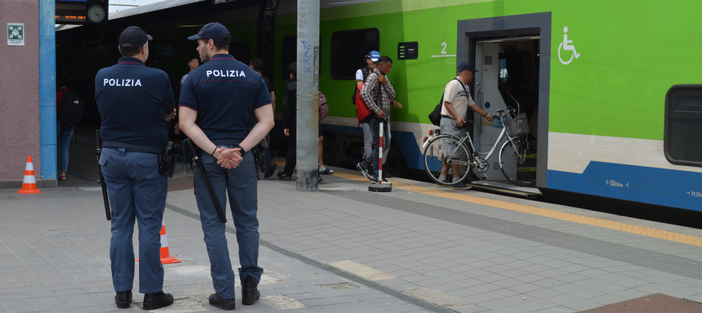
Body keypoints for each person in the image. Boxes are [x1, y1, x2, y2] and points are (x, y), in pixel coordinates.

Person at [178, 22, 274, 311]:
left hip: (210, 161)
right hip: (242, 161)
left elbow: (185, 123)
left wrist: (216, 150)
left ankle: (224, 293)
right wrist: (240, 149)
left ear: (210, 43)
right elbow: (267, 121)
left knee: (213, 225)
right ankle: (249, 286)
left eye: (198, 43)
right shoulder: (251, 76)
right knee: (247, 222)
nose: (196, 48)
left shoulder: (195, 78)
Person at [94, 26, 176, 310]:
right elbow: (168, 112)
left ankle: (122, 294)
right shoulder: (158, 77)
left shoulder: (102, 76)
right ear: (144, 49)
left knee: (120, 227)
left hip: (111, 157)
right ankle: (152, 294)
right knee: (149, 227)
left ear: (120, 50)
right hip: (147, 159)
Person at [437, 62, 494, 190]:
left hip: (457, 122)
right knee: (453, 152)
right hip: (450, 121)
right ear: (466, 72)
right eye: (472, 73)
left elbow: (471, 104)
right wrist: (457, 117)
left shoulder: (465, 87)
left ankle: (442, 179)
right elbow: (447, 103)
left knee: (450, 152)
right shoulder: (453, 84)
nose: (473, 76)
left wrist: (485, 114)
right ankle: (456, 180)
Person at [278, 63, 324, 183]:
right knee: (310, 147)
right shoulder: (311, 86)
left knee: (292, 147)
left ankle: (287, 173)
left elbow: (287, 108)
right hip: (309, 120)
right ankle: (315, 174)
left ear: (291, 75)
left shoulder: (290, 87)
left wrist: (286, 126)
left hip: (294, 121)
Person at [357, 55, 396, 183]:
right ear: (381, 65)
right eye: (389, 67)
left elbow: (393, 94)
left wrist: (385, 83)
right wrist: (376, 109)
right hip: (376, 117)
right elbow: (364, 92)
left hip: (383, 117)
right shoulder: (373, 76)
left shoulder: (383, 78)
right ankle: (375, 174)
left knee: (384, 145)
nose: (390, 70)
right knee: (379, 145)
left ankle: (366, 164)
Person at [249, 57, 277, 178]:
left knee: (251, 140)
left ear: (252, 67)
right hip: (265, 113)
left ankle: (257, 169)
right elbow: (273, 99)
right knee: (261, 139)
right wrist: (271, 115)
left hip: (253, 114)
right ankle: (267, 163)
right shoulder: (267, 80)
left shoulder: (250, 79)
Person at [56, 76, 74, 181]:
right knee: (65, 148)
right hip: (70, 125)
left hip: (59, 123)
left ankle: (51, 170)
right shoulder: (72, 95)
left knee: (52, 145)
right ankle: (63, 173)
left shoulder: (58, 94)